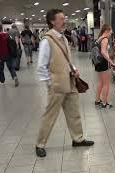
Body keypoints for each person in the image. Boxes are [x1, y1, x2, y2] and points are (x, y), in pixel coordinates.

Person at [36, 9, 94, 158]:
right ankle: (40, 144)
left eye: (64, 18)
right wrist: (50, 84)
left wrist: (73, 69)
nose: (64, 21)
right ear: (52, 21)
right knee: (50, 115)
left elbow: (67, 60)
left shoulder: (64, 38)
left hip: (70, 82)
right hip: (57, 86)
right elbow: (41, 66)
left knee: (74, 113)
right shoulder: (46, 40)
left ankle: (78, 139)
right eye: (61, 19)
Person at [94, 24, 115, 108]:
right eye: (110, 32)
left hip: (98, 63)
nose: (111, 34)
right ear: (106, 31)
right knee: (106, 84)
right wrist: (111, 61)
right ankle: (104, 103)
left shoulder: (98, 39)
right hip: (104, 63)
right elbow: (103, 52)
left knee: (100, 82)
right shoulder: (105, 39)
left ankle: (97, 100)